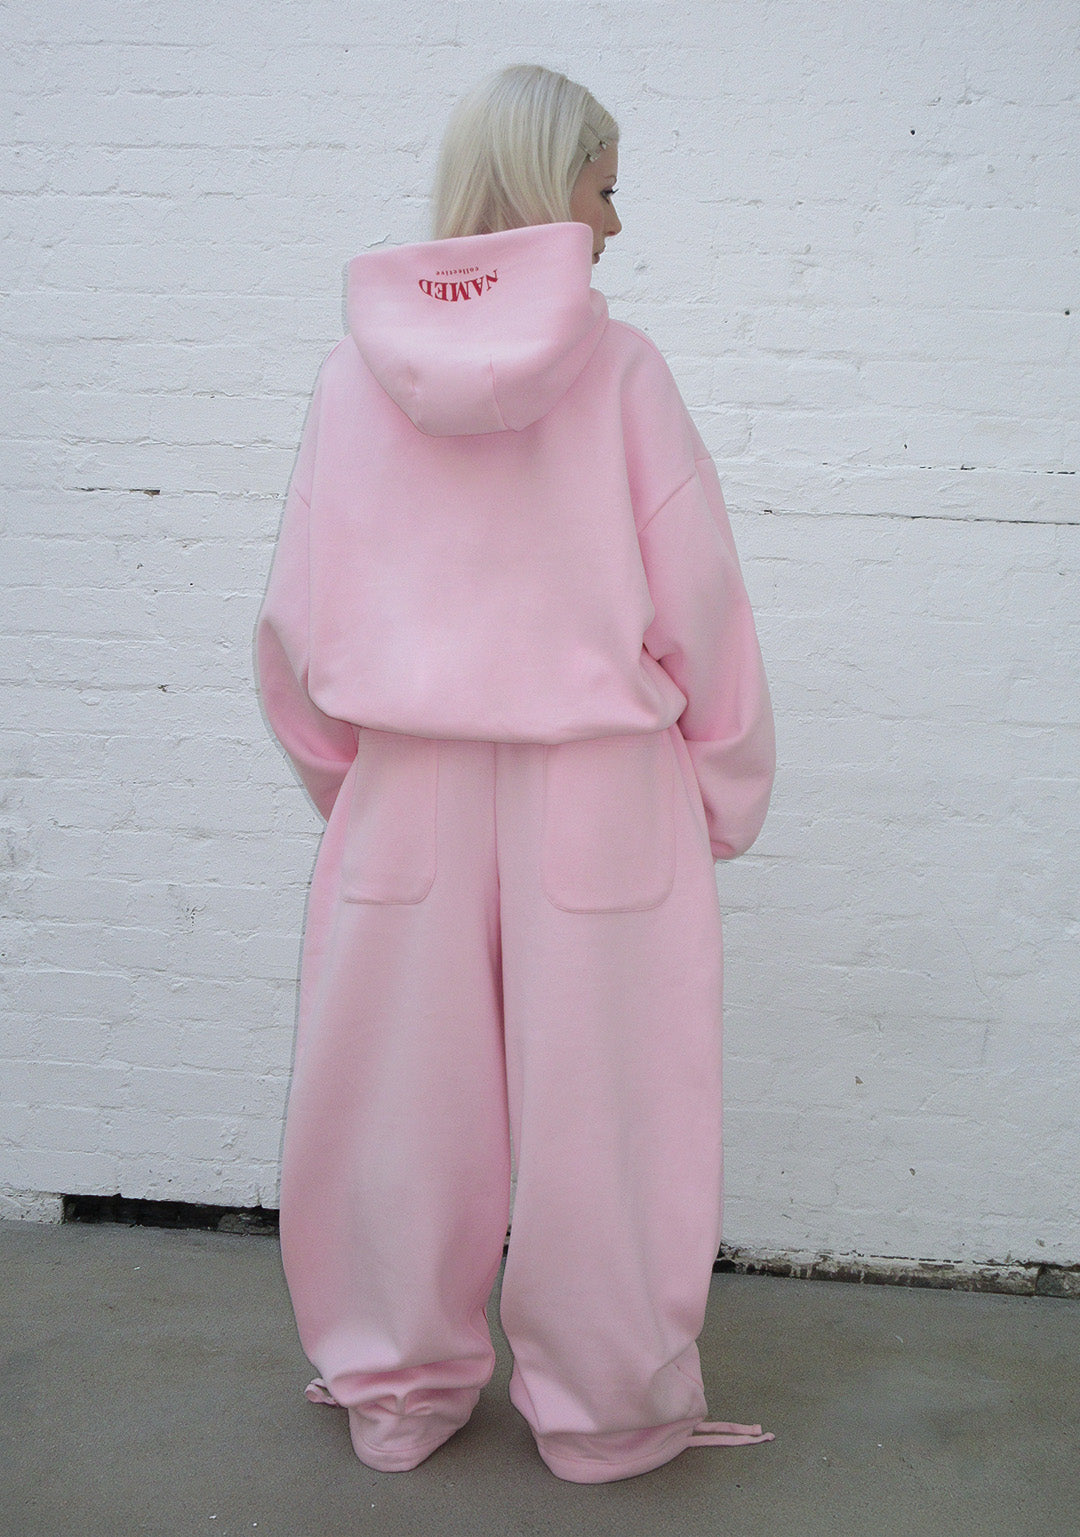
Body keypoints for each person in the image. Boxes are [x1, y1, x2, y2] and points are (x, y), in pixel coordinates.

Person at [255, 63, 776, 1485]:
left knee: (392, 1105)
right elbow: (701, 602)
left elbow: (298, 621)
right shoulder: (623, 371)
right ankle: (608, 1412)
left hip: (406, 789)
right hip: (604, 790)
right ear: (556, 186)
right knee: (614, 1113)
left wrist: (353, 784)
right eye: (605, 187)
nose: (614, 222)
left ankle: (396, 1389)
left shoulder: (351, 376)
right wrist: (725, 787)